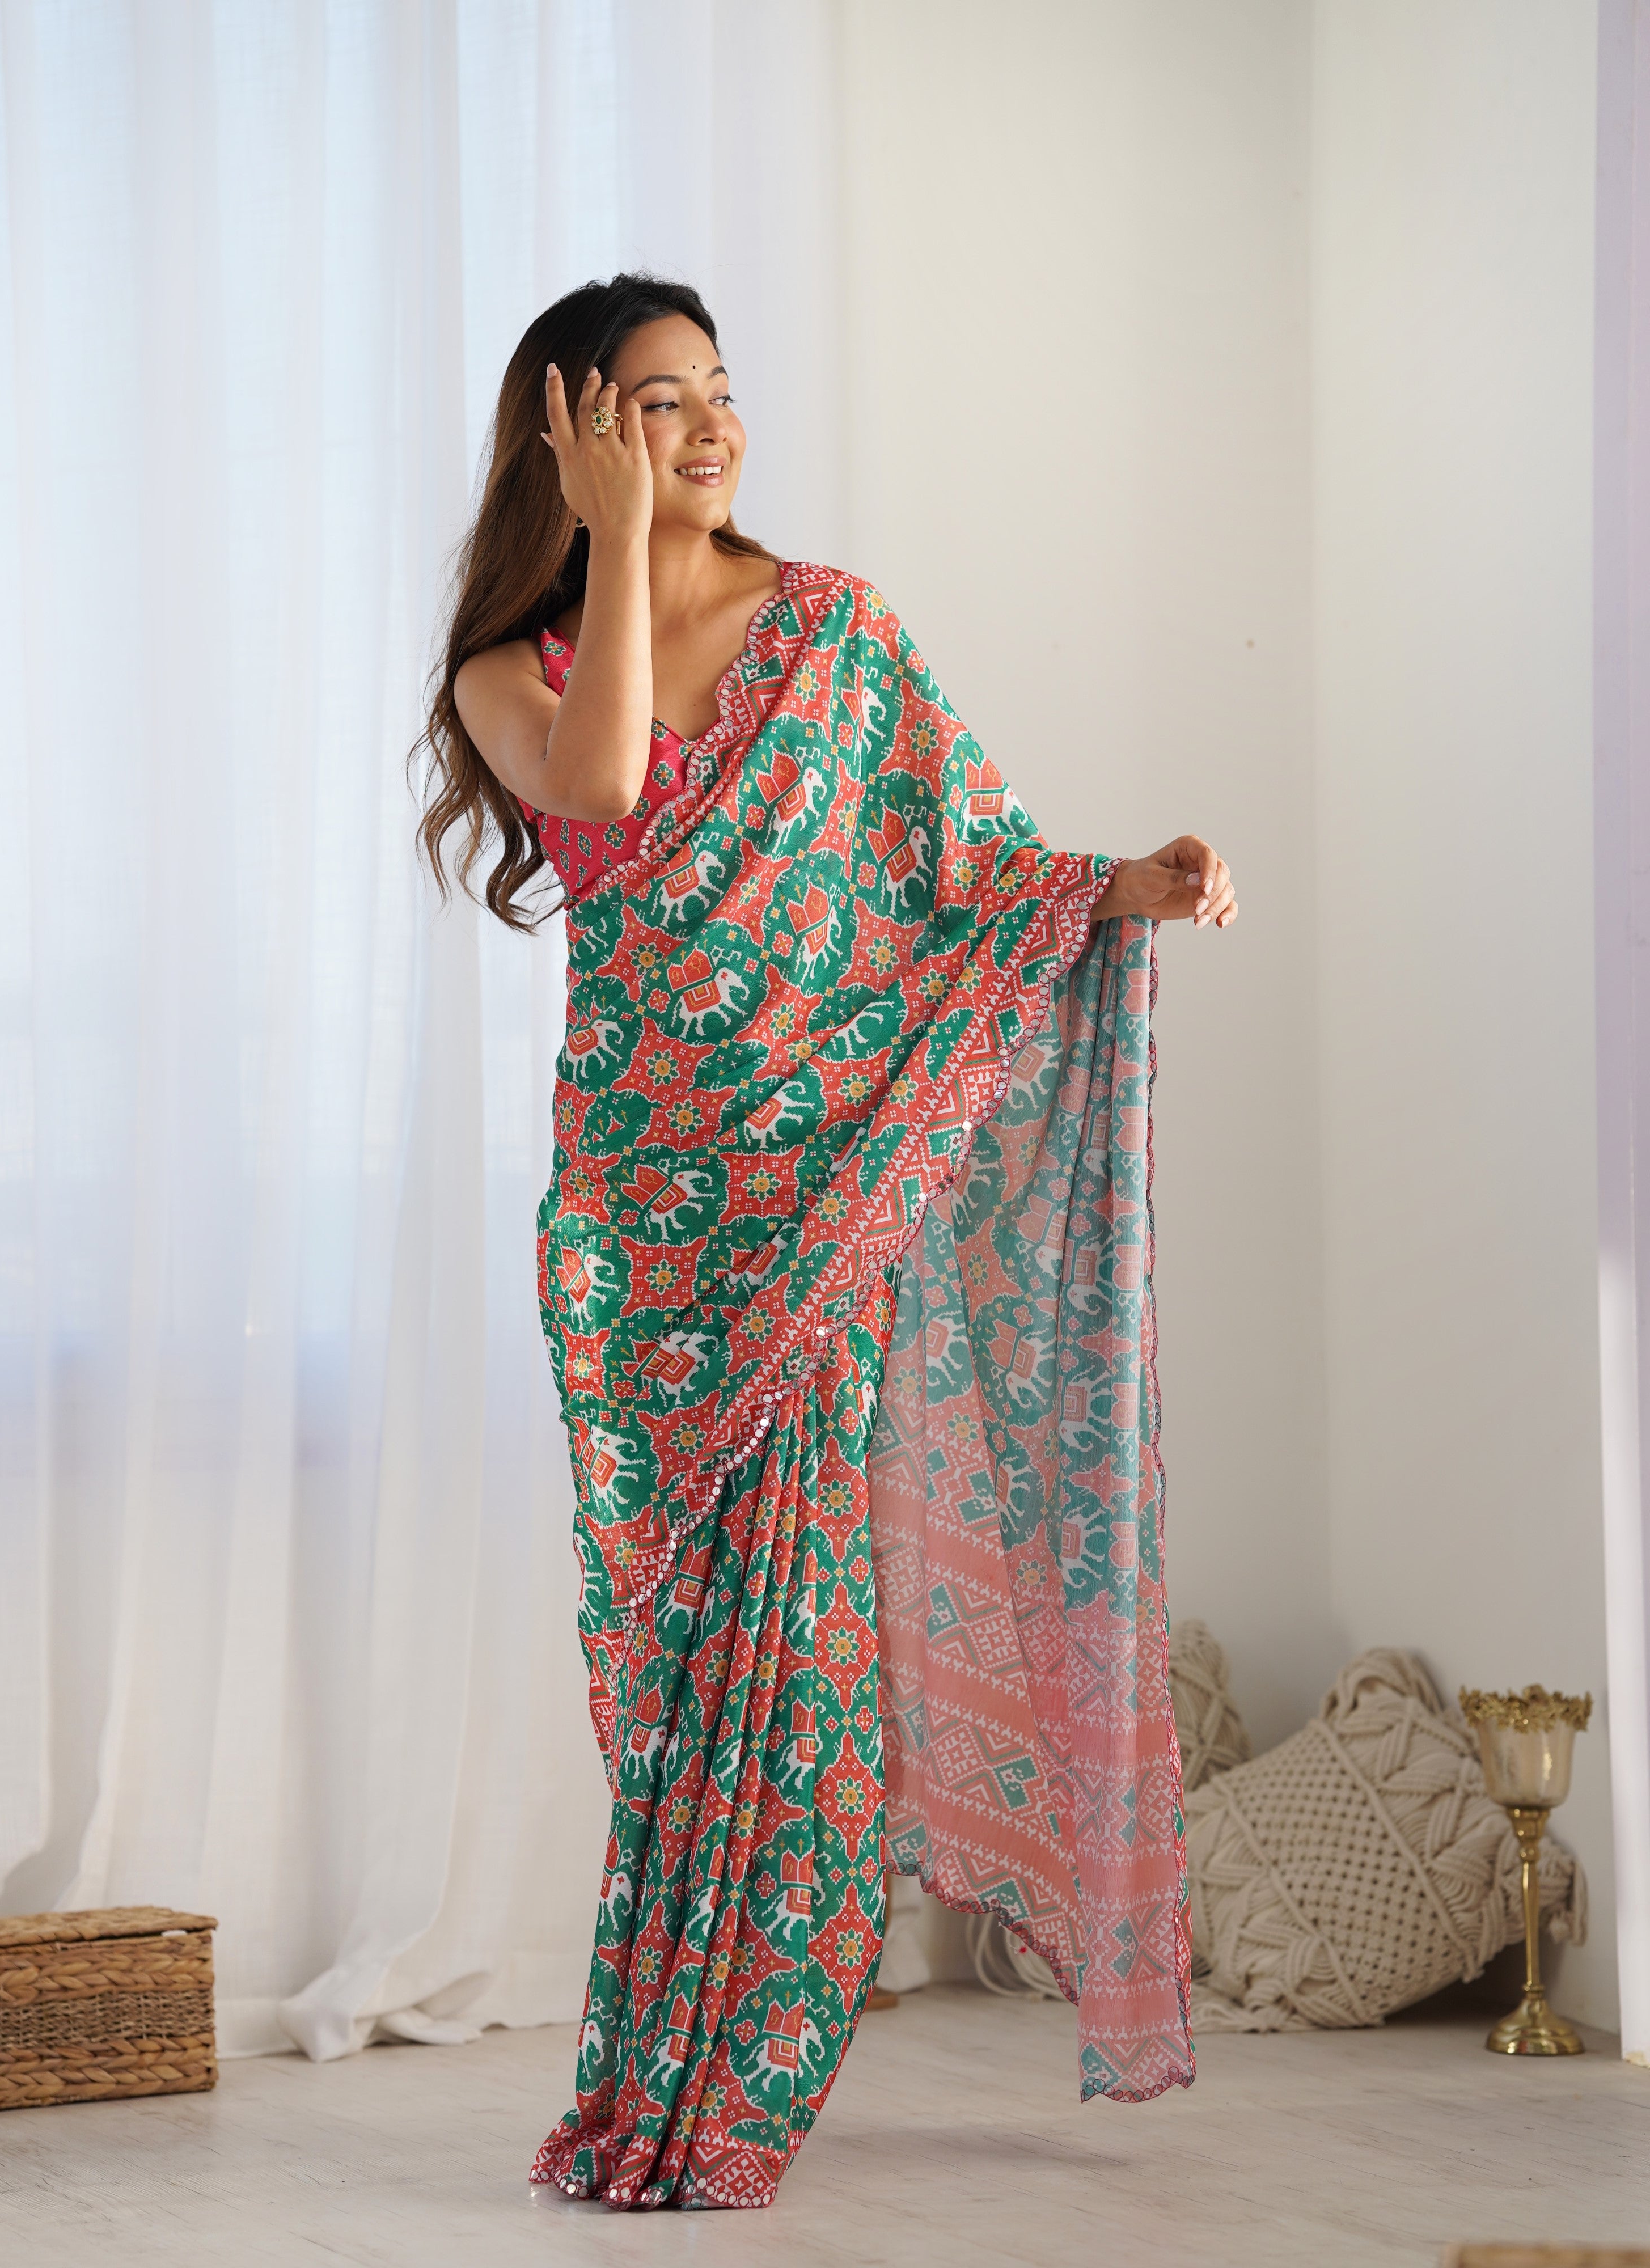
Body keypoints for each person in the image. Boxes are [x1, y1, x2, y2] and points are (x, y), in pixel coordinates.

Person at [416, 273, 1238, 2212]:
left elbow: (969, 871)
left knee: (806, 1667)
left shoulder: (835, 640)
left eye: (719, 394)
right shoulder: (509, 669)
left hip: (817, 1202)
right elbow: (607, 789)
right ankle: (651, 2079)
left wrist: (1134, 884)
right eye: (655, 404)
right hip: (640, 1235)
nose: (710, 430)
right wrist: (618, 552)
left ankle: (740, 2092)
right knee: (687, 1665)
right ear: (571, 436)